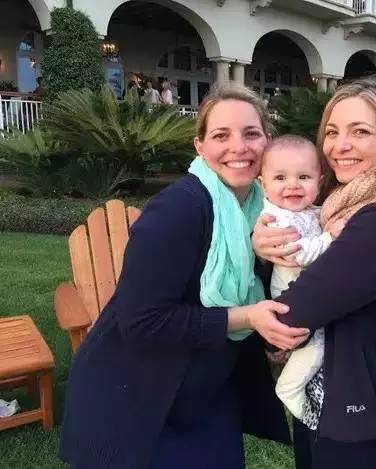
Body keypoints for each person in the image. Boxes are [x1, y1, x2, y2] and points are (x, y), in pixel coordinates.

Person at [59, 83, 310, 469]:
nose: (238, 147)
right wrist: (248, 317)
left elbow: (257, 286)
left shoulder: (266, 209)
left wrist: (267, 335)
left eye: (251, 133)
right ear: (200, 146)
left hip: (206, 389)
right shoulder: (178, 211)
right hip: (137, 396)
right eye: (221, 135)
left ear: (267, 141)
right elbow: (142, 322)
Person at [253, 77, 376, 469]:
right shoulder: (346, 204)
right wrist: (264, 247)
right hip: (335, 403)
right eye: (332, 132)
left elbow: (295, 311)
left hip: (360, 414)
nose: (339, 146)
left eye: (360, 132)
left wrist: (249, 319)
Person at [258, 134, 338, 420]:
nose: (292, 185)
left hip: (304, 292)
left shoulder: (306, 211)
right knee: (316, 345)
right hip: (291, 298)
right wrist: (331, 237)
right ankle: (290, 388)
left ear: (319, 181)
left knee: (314, 342)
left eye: (303, 177)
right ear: (263, 184)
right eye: (280, 177)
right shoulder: (275, 218)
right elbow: (298, 254)